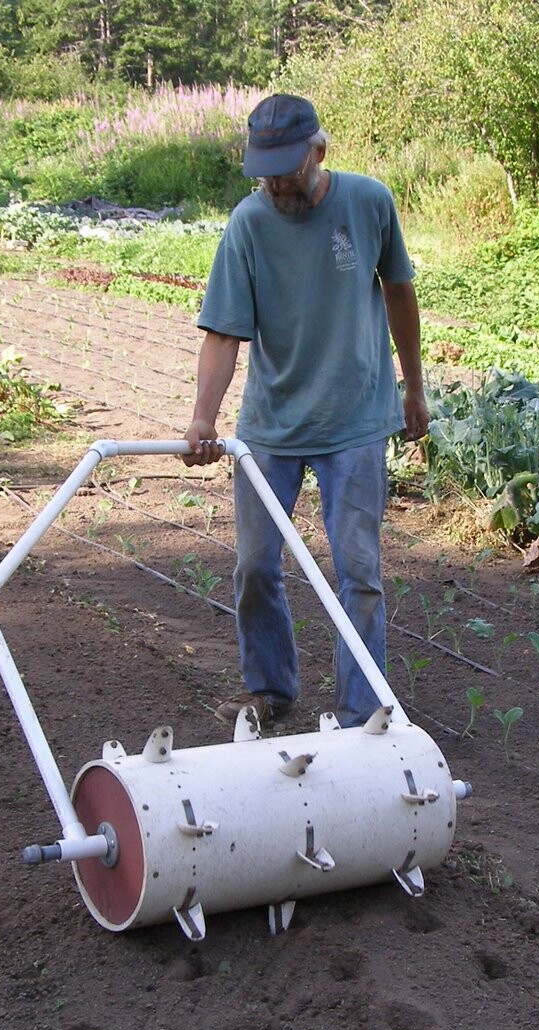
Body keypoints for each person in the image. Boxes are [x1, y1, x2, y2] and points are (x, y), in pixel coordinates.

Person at [183, 93, 426, 729]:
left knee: (359, 575)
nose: (275, 182)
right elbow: (222, 335)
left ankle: (360, 711)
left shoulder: (369, 202)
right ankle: (270, 689)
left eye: (287, 167)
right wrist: (203, 417)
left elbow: (400, 293)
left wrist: (414, 386)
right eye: (265, 170)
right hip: (272, 425)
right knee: (256, 566)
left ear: (319, 151)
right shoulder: (248, 223)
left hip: (355, 419)